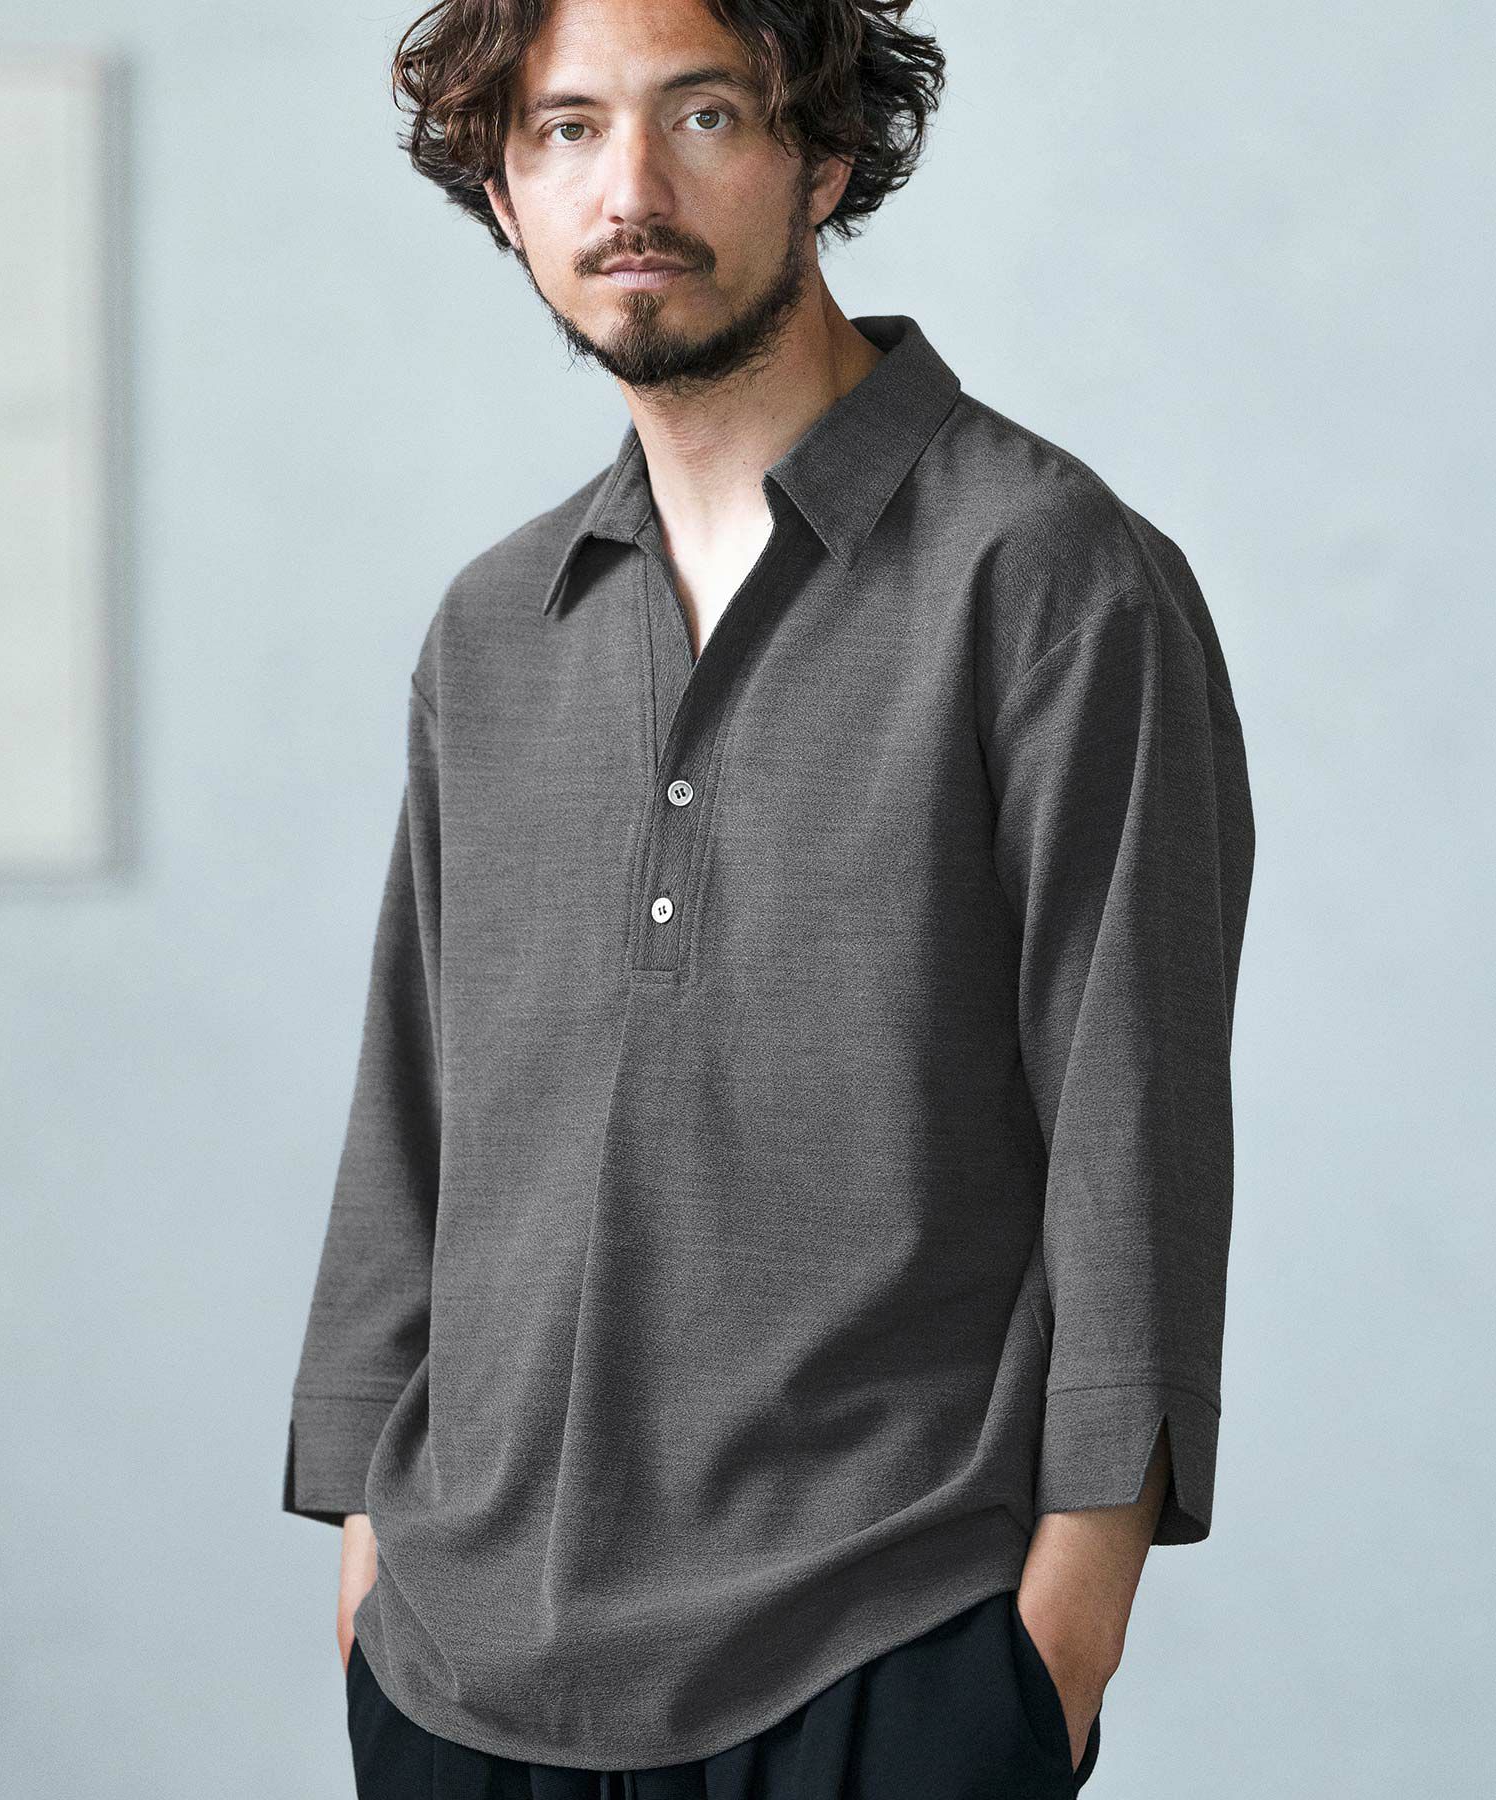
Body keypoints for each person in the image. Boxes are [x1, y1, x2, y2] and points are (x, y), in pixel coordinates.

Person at [281, 0, 1256, 1794]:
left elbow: (1136, 1144)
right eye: (566, 130)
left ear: (825, 154)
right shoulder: (494, 628)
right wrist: (362, 1545)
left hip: (883, 1653)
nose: (629, 192)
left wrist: (1054, 1648)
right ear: (503, 194)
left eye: (704, 114)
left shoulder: (1052, 581)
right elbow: (411, 1127)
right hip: (452, 1678)